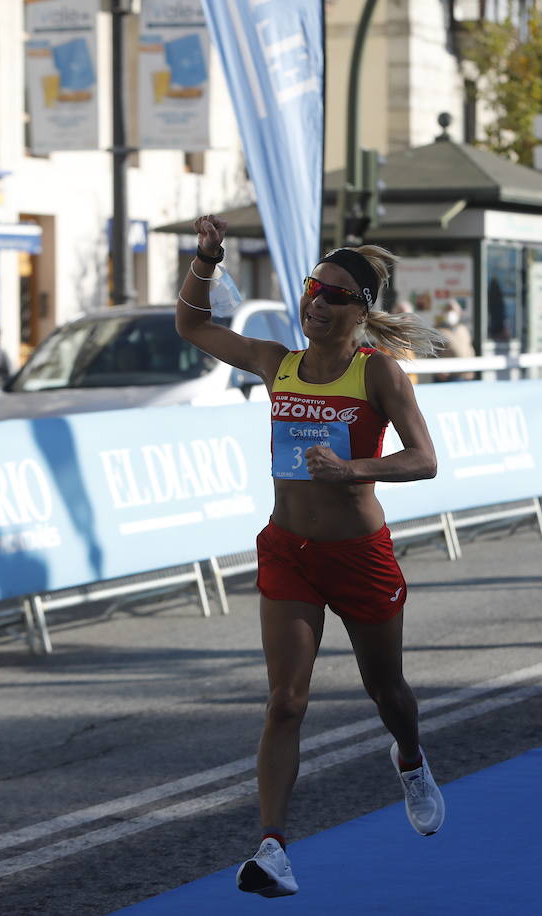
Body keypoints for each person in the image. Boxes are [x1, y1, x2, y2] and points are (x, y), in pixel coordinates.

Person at [175, 214, 449, 898]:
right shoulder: (278, 362)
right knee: (284, 703)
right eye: (310, 288)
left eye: (332, 295)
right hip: (289, 551)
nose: (315, 304)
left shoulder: (377, 373)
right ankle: (272, 849)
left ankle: (411, 760)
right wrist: (205, 260)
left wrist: (353, 470)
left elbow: (425, 459)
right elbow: (193, 327)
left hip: (359, 555)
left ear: (358, 311)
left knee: (387, 692)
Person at [434, 299, 476, 381]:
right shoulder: (438, 331)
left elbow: (470, 350)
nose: (450, 312)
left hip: (465, 376)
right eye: (448, 309)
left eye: (453, 310)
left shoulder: (463, 329)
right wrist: (438, 370)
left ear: (459, 312)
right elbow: (430, 353)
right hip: (447, 378)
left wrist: (471, 369)